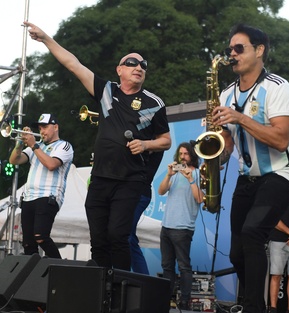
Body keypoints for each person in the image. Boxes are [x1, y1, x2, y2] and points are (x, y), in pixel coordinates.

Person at [25, 22, 171, 270]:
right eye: (132, 63)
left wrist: (146, 144)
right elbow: (73, 64)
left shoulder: (154, 102)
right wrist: (46, 38)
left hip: (130, 180)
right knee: (99, 241)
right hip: (100, 178)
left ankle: (121, 293)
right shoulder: (107, 91)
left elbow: (166, 141)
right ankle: (102, 296)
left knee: (118, 236)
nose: (139, 67)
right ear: (119, 70)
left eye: (143, 65)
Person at [211, 24, 289, 313]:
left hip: (281, 173)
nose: (232, 54)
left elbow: (279, 139)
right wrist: (215, 151)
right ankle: (253, 303)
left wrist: (240, 118)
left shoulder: (277, 87)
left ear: (259, 50)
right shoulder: (226, 93)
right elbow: (227, 146)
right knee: (237, 253)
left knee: (252, 233)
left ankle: (253, 308)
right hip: (246, 177)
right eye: (230, 50)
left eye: (239, 48)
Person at [9, 113, 74, 259]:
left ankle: (59, 267)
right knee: (28, 243)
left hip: (48, 197)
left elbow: (51, 164)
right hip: (28, 198)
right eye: (39, 128)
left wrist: (33, 145)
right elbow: (14, 160)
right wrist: (20, 144)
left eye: (45, 127)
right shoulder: (37, 147)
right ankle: (33, 276)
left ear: (55, 127)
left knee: (41, 236)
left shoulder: (64, 146)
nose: (42, 131)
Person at [158, 142, 204, 310]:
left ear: (192, 156)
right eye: (180, 154)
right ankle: (167, 299)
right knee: (167, 266)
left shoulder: (199, 174)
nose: (182, 156)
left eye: (186, 154)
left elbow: (200, 199)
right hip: (166, 226)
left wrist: (191, 179)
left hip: (183, 228)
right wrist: (169, 175)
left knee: (184, 266)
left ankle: (185, 300)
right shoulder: (175, 173)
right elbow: (161, 191)